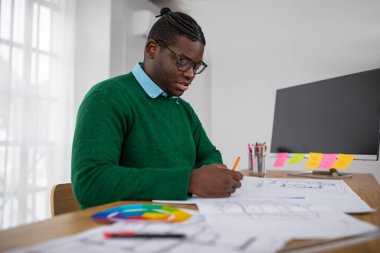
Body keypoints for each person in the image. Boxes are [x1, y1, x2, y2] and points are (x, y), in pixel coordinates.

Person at [71, 7, 243, 209]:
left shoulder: (183, 110)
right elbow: (91, 182)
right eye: (183, 62)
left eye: (196, 67)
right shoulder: (107, 97)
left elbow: (208, 154)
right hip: (122, 228)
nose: (190, 74)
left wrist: (210, 170)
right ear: (152, 49)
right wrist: (189, 181)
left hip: (176, 220)